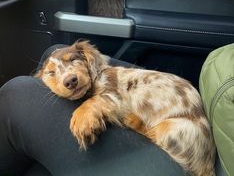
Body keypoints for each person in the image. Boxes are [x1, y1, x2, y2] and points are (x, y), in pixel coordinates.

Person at [0, 44, 186, 176]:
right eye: (52, 73)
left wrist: (94, 106)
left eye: (74, 61)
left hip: (176, 158)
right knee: (54, 50)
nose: (69, 77)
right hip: (173, 134)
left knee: (16, 91)